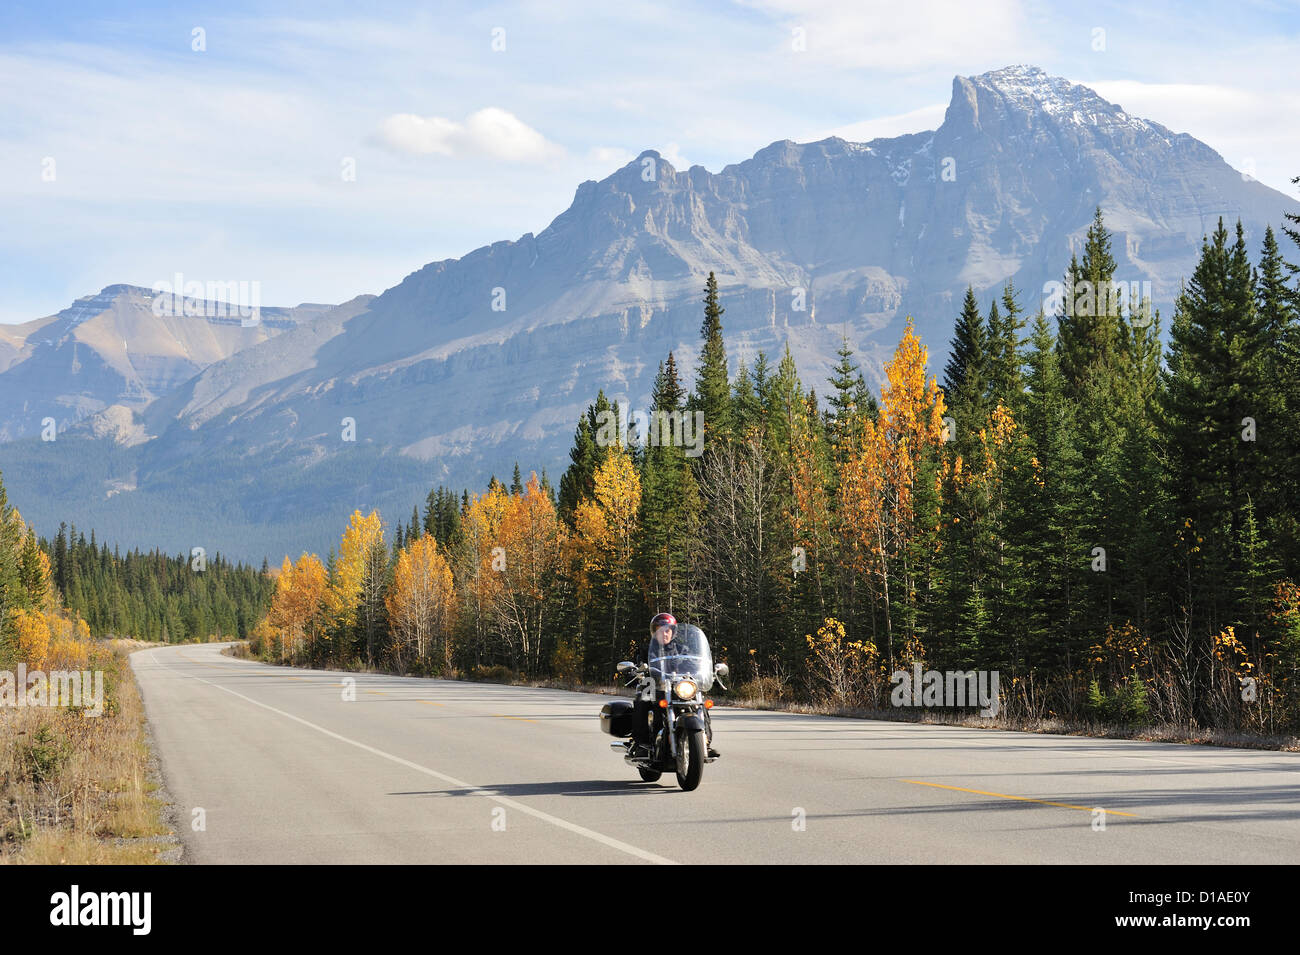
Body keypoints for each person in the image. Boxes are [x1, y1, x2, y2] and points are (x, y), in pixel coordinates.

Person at [631, 613, 677, 756]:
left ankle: (704, 741)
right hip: (652, 684)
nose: (664, 633)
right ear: (654, 632)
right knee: (642, 700)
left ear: (673, 632)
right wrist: (636, 670)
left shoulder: (682, 650)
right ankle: (641, 744)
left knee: (698, 702)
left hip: (676, 686)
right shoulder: (646, 650)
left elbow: (694, 664)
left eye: (667, 630)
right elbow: (636, 667)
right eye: (660, 630)